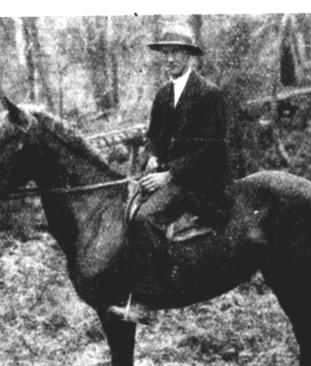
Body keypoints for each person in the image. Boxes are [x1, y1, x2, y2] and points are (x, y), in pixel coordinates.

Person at [108, 23, 230, 323]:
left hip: (201, 182)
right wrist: (151, 158)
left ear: (190, 56)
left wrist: (168, 175)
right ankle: (127, 285)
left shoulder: (208, 94)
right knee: (126, 206)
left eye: (176, 52)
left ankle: (150, 300)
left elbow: (208, 150)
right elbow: (153, 138)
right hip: (168, 174)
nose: (170, 58)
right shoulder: (163, 95)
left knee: (146, 218)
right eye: (166, 53)